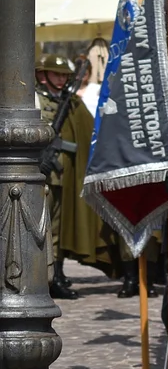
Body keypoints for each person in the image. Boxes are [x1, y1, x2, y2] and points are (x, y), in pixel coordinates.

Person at [36, 54, 106, 299]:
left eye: (64, 75)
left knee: (57, 230)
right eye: (56, 74)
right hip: (40, 174)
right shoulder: (36, 100)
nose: (61, 79)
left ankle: (55, 275)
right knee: (40, 229)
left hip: (62, 174)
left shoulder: (69, 102)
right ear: (42, 75)